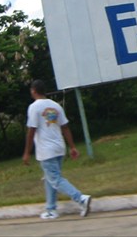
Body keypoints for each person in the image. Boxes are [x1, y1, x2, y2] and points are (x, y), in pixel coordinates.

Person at [22, 79, 91, 219]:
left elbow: (31, 130)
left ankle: (81, 198)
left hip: (46, 150)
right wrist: (72, 146)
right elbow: (65, 127)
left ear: (33, 91)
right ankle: (51, 209)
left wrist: (27, 152)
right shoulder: (55, 106)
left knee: (55, 179)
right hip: (59, 147)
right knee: (50, 179)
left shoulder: (34, 107)